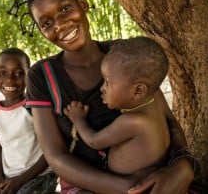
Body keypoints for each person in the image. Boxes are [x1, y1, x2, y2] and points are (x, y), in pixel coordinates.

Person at [22, 0, 198, 194]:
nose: (59, 24)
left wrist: (183, 166)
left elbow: (166, 118)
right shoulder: (42, 76)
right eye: (46, 23)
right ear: (41, 31)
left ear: (82, 4)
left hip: (157, 180)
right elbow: (55, 156)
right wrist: (129, 189)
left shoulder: (125, 54)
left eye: (65, 8)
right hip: (91, 186)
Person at [64, 37, 171, 189]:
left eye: (107, 82)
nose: (102, 88)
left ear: (138, 91)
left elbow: (94, 141)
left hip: (133, 187)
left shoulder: (132, 121)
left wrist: (79, 120)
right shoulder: (153, 108)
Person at [0, 47, 57, 194]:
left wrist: (20, 181)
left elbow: (51, 150)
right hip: (9, 176)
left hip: (40, 174)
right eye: (3, 73)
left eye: (19, 73)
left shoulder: (35, 107)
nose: (10, 79)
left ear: (28, 76)